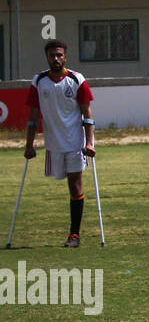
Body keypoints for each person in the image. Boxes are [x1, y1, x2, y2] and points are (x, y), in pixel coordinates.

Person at [23, 39, 95, 248]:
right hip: (53, 143)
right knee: (59, 182)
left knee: (74, 185)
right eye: (52, 55)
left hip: (75, 141)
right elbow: (33, 117)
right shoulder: (39, 81)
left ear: (65, 57)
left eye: (59, 55)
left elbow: (87, 112)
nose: (56, 59)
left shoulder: (76, 79)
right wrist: (29, 145)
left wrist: (90, 143)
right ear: (47, 57)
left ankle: (74, 234)